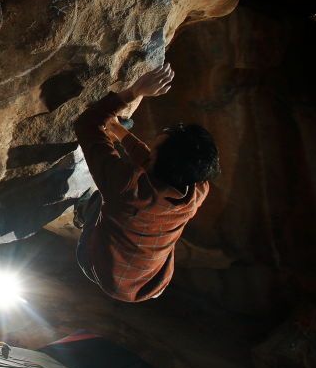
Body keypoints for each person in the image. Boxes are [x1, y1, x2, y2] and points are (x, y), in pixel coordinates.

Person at [73, 63, 220, 302]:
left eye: (153, 148)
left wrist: (133, 92)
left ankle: (81, 212)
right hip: (152, 280)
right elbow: (153, 166)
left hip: (101, 272)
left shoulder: (126, 188)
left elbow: (86, 124)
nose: (149, 148)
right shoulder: (197, 189)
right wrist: (119, 132)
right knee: (120, 186)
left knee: (100, 197)